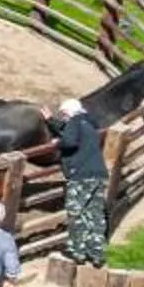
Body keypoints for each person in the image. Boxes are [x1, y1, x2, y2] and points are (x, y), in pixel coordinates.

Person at [54, 96, 109, 267]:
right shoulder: (88, 124)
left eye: (63, 114)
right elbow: (69, 131)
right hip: (98, 175)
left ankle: (77, 252)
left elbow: (69, 141)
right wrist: (51, 121)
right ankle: (97, 254)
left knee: (76, 213)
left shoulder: (75, 122)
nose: (63, 118)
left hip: (81, 176)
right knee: (95, 214)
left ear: (69, 112)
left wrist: (58, 143)